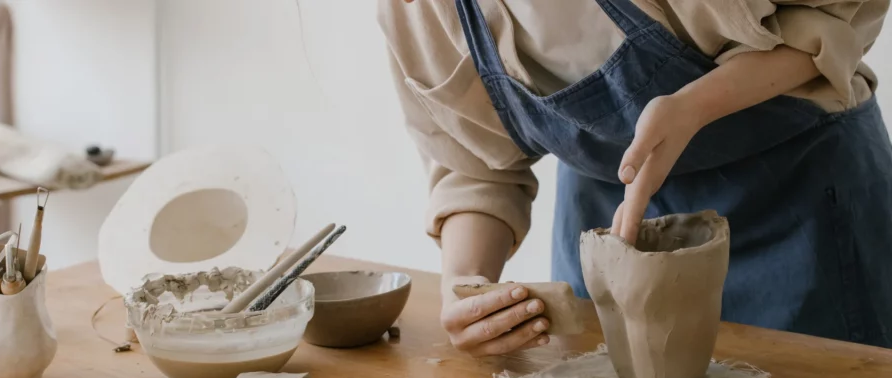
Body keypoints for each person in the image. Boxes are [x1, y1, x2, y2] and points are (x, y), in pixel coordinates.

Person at [380, 0, 892, 356]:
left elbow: (840, 15)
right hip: (608, 231)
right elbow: (474, 164)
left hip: (799, 205)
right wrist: (465, 288)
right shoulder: (419, 12)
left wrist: (698, 105)